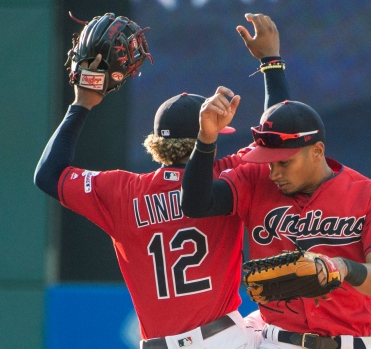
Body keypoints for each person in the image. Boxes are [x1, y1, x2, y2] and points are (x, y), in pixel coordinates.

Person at [34, 12, 289, 349]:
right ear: (205, 133)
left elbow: (49, 175)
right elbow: (281, 138)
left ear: (157, 143)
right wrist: (270, 62)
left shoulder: (122, 191)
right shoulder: (228, 175)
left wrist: (82, 103)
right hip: (224, 338)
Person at [181, 17, 371, 349]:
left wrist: (342, 268)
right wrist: (206, 139)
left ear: (317, 151)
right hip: (278, 342)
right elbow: (196, 203)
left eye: (284, 163)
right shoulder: (256, 180)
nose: (273, 172)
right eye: (268, 161)